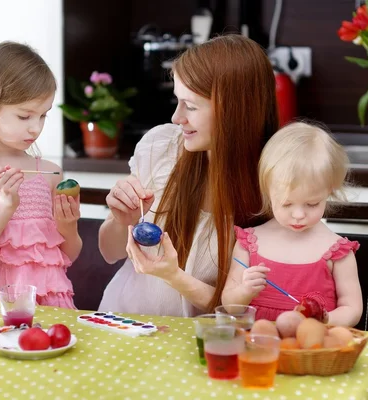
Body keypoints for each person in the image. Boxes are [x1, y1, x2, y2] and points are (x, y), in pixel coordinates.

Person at [97, 34, 279, 317]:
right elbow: (110, 252)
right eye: (178, 101)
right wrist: (123, 221)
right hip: (122, 325)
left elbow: (250, 310)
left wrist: (173, 275)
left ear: (234, 111)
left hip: (200, 345)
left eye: (191, 106)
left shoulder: (275, 183)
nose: (176, 117)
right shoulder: (160, 148)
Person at [0, 41, 82, 308]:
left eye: (43, 115)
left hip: (50, 308)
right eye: (24, 116)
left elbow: (68, 255)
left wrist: (68, 225)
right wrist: (4, 207)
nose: (36, 128)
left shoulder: (51, 173)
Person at [221, 122, 363, 326]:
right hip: (257, 351)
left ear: (329, 190)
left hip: (310, 353)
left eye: (312, 204)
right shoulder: (249, 242)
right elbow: (228, 304)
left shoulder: (337, 251)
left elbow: (352, 309)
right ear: (268, 192)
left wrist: (326, 320)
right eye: (286, 203)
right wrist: (244, 291)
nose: (298, 215)